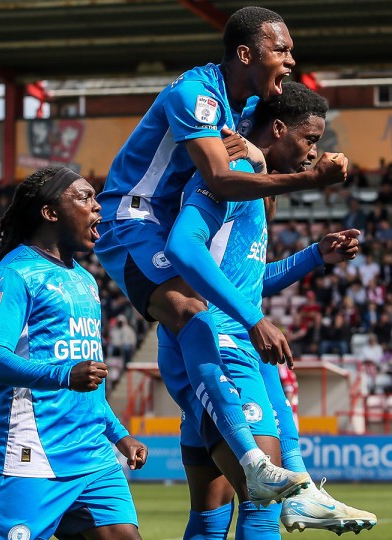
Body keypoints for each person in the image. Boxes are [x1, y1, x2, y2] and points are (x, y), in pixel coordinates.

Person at [95, 5, 346, 501]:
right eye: (282, 49)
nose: (292, 60)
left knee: (205, 308)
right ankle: (254, 461)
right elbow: (218, 178)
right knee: (192, 309)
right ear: (246, 53)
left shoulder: (244, 108)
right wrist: (308, 180)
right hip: (133, 219)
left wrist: (273, 154)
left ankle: (279, 468)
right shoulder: (196, 94)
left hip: (166, 221)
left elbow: (264, 147)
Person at [163, 82, 375, 536]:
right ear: (278, 129)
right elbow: (184, 246)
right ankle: (304, 502)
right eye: (309, 140)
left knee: (211, 509)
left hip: (224, 342)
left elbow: (248, 283)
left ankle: (304, 500)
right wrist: (252, 319)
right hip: (216, 343)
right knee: (265, 497)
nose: (313, 154)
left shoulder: (256, 188)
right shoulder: (230, 169)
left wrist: (315, 255)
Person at [0, 167, 148, 540]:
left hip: (92, 456)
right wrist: (63, 374)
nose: (98, 207)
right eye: (85, 198)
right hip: (33, 452)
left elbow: (91, 383)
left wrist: (118, 435)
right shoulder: (14, 275)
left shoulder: (84, 279)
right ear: (51, 213)